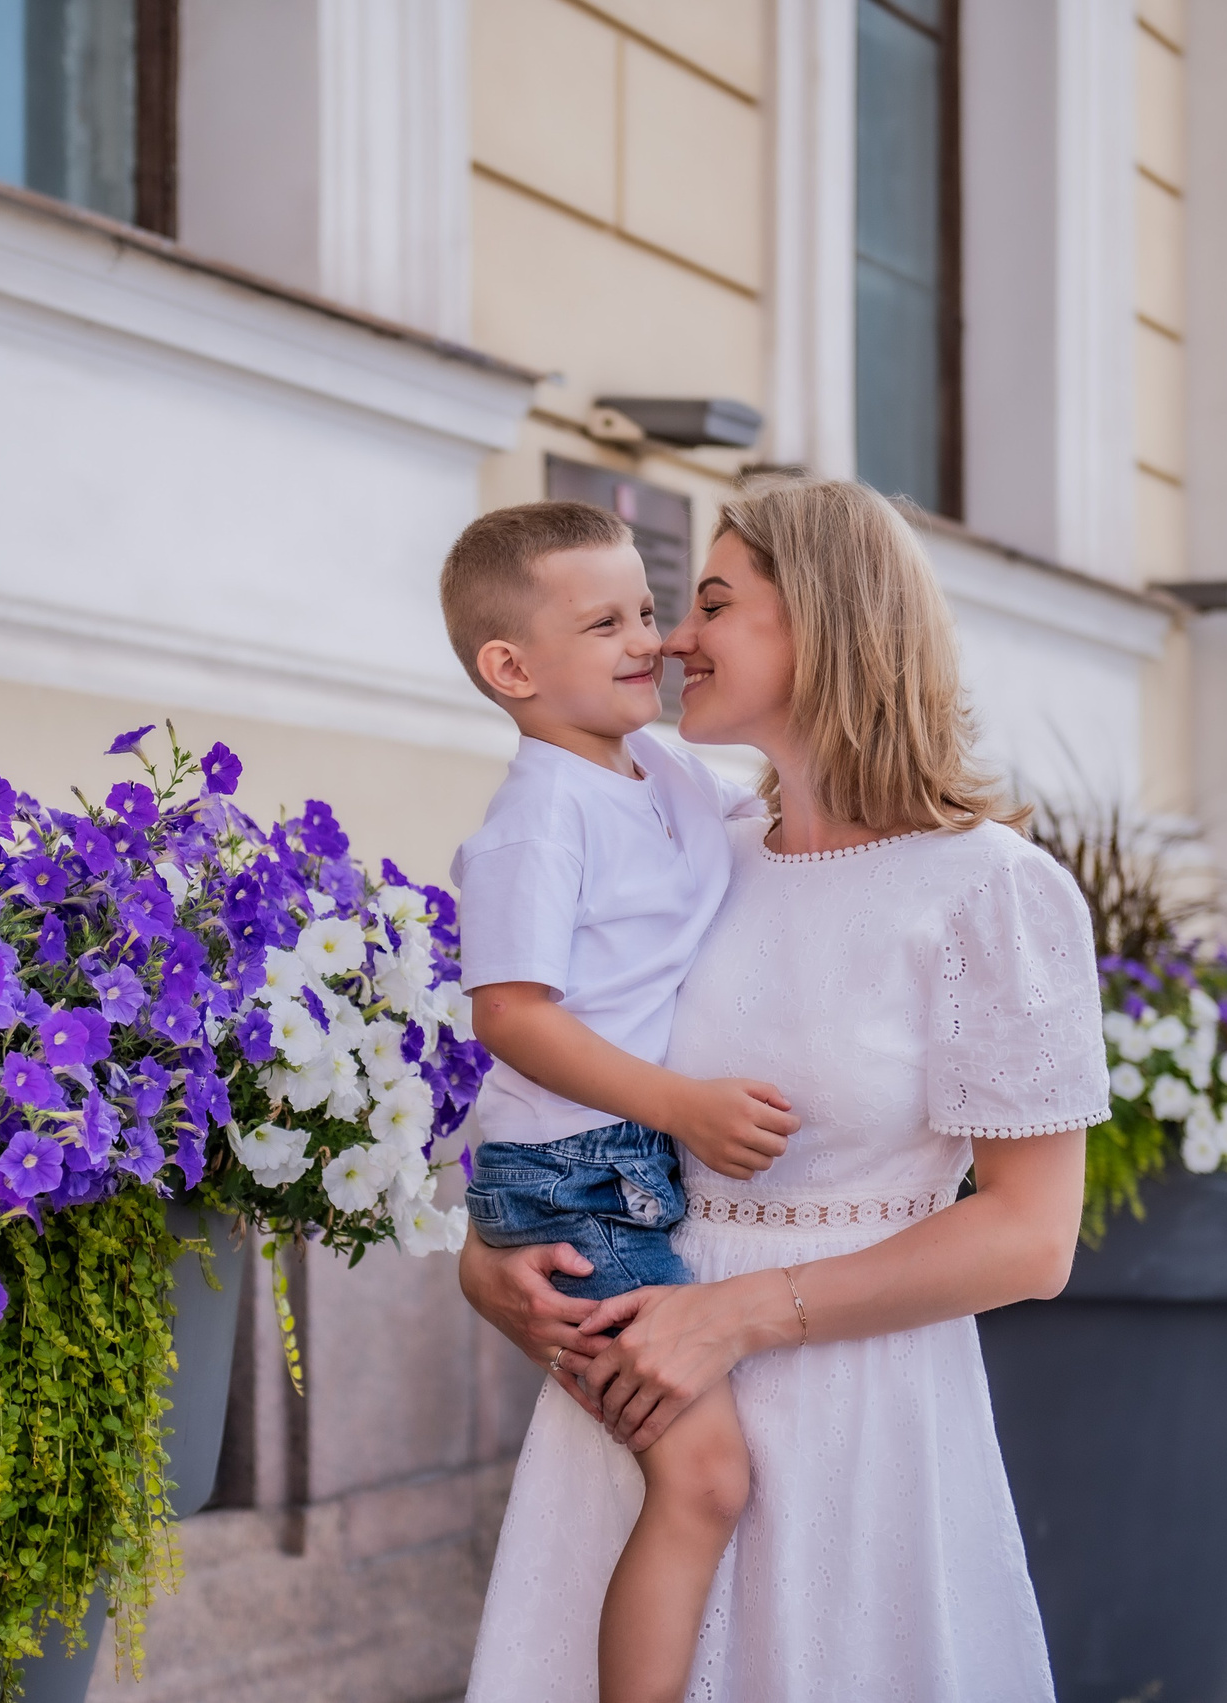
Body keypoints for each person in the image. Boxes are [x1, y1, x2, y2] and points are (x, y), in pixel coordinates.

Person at [460, 478, 1107, 1702]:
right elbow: (562, 1069)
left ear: (826, 621)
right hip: (639, 1384)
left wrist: (743, 1313)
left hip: (859, 1414)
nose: (671, 639)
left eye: (711, 602)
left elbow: (1033, 1238)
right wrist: (488, 1258)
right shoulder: (694, 848)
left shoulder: (989, 890)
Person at [438, 500, 801, 1703]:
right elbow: (514, 1016)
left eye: (649, 611)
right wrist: (684, 1104)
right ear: (512, 666)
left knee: (708, 1474)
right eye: (606, 622)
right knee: (703, 1473)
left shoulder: (664, 766)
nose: (648, 639)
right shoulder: (537, 817)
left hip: (636, 1161)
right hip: (572, 1173)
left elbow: (773, 839)